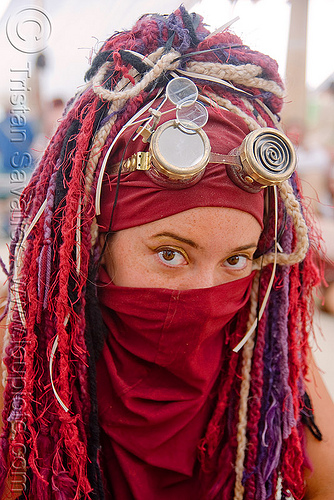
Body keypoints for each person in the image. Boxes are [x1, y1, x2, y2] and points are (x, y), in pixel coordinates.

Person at [0, 7, 333, 500]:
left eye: (236, 261)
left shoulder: (277, 380)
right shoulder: (24, 373)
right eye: (172, 254)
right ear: (95, 242)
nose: (204, 298)